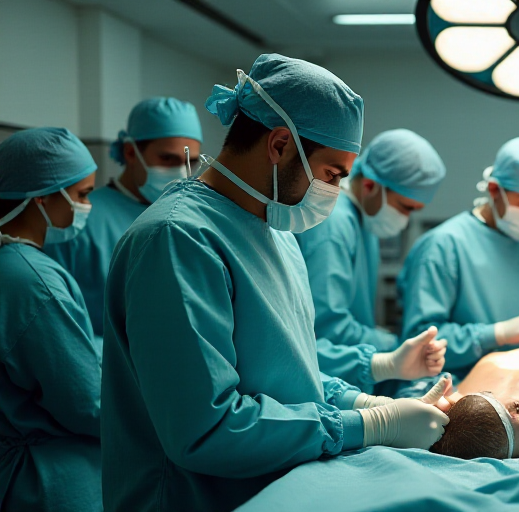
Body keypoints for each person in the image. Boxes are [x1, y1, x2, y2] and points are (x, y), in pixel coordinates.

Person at [101, 54, 451, 512]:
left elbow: (286, 373)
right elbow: (207, 430)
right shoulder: (179, 240)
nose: (335, 192)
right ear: (281, 144)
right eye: (331, 174)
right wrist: (363, 427)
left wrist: (358, 400)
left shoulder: (277, 232)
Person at [399, 136, 519, 383]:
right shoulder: (445, 245)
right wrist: (495, 334)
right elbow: (420, 342)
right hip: (459, 394)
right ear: (494, 190)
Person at [295, 129, 446, 390]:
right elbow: (327, 329)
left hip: (349, 372)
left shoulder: (365, 221)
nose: (406, 219)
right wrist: (397, 344)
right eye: (405, 207)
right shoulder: (333, 223)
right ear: (369, 186)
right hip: (324, 377)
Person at [0, 128, 102, 512]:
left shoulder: (13, 267)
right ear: (42, 195)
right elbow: (86, 404)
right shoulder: (32, 281)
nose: (87, 207)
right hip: (49, 482)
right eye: (82, 195)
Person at [44, 97, 203, 337]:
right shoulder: (78, 219)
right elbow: (54, 320)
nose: (182, 173)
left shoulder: (192, 217)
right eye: (168, 159)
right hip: (103, 368)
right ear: (130, 152)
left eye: (191, 161)